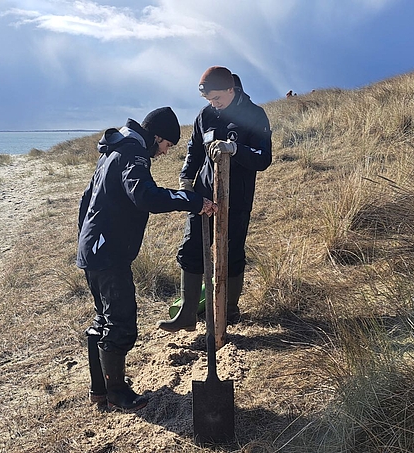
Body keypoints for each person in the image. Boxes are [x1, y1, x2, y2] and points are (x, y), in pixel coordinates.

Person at [77, 107, 217, 411]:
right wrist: (192, 201)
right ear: (156, 137)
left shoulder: (114, 150)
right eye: (166, 145)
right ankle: (116, 392)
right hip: (108, 252)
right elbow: (146, 197)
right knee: (121, 323)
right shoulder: (133, 154)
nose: (164, 153)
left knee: (104, 318)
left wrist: (86, 242)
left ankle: (98, 390)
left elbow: (86, 198)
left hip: (94, 249)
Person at [157, 66, 272, 332]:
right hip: (204, 195)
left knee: (231, 253)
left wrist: (236, 149)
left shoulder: (254, 115)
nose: (214, 103)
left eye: (217, 97)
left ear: (232, 89)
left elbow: (264, 158)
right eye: (209, 99)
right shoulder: (206, 115)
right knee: (191, 249)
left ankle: (228, 311)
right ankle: (187, 313)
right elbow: (194, 149)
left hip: (237, 197)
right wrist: (186, 177)